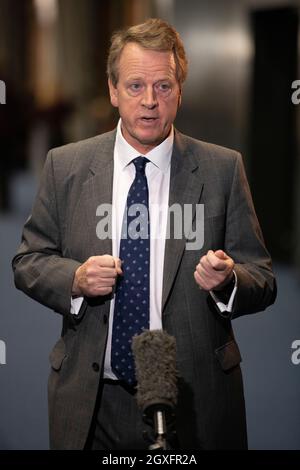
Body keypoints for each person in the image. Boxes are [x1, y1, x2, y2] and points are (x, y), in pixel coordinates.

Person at [12, 18, 276, 450]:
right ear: (113, 91)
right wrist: (75, 279)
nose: (150, 101)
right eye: (135, 86)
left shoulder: (222, 169)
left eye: (164, 86)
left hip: (194, 398)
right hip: (93, 398)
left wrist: (229, 281)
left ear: (180, 91)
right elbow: (27, 262)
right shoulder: (66, 166)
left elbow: (263, 279)